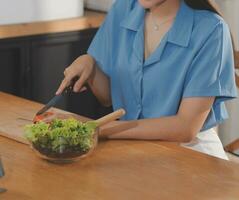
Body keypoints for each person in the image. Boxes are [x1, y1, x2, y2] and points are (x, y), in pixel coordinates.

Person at [55, 0, 237, 160]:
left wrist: (100, 129)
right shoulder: (123, 9)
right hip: (130, 148)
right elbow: (107, 97)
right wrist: (90, 65)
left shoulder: (212, 29)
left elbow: (185, 128)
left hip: (190, 154)